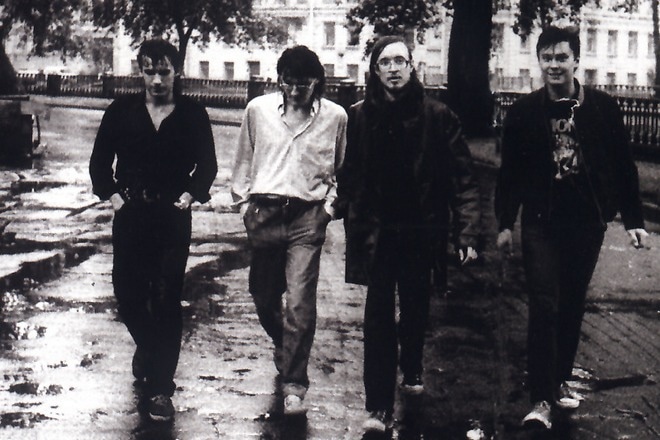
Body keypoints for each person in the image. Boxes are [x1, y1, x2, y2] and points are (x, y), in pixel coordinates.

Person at [495, 26, 648, 430]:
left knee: (571, 302)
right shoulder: (525, 112)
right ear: (539, 61)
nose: (554, 65)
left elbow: (623, 165)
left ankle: (559, 378)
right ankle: (541, 399)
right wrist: (505, 222)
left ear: (576, 61)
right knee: (544, 303)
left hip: (586, 222)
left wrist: (634, 221)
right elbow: (510, 172)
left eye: (561, 57)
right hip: (541, 222)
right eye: (547, 57)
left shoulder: (602, 108)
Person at [335, 35, 481, 434]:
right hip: (377, 231)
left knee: (416, 306)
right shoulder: (360, 116)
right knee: (377, 316)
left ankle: (412, 363)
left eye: (400, 61)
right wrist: (334, 207)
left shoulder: (438, 116)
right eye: (385, 62)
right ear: (375, 70)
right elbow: (349, 173)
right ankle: (379, 406)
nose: (394, 69)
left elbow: (463, 179)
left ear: (412, 67)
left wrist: (467, 232)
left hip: (421, 228)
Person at [89, 39, 217, 422]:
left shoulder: (193, 114)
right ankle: (149, 348)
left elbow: (207, 165)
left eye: (164, 71)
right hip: (131, 214)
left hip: (172, 217)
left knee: (166, 297)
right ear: (140, 71)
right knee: (127, 294)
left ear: (177, 71)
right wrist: (115, 198)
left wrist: (190, 196)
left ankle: (161, 388)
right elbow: (99, 163)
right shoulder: (121, 111)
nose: (157, 80)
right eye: (150, 71)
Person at [230, 45, 347, 416]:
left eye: (304, 83)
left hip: (306, 219)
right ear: (279, 80)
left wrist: (327, 210)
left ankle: (294, 384)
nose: (295, 90)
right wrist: (244, 207)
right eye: (288, 82)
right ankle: (284, 343)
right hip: (265, 214)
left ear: (317, 82)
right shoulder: (258, 110)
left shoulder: (335, 117)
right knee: (264, 297)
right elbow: (242, 162)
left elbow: (342, 171)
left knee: (299, 301)